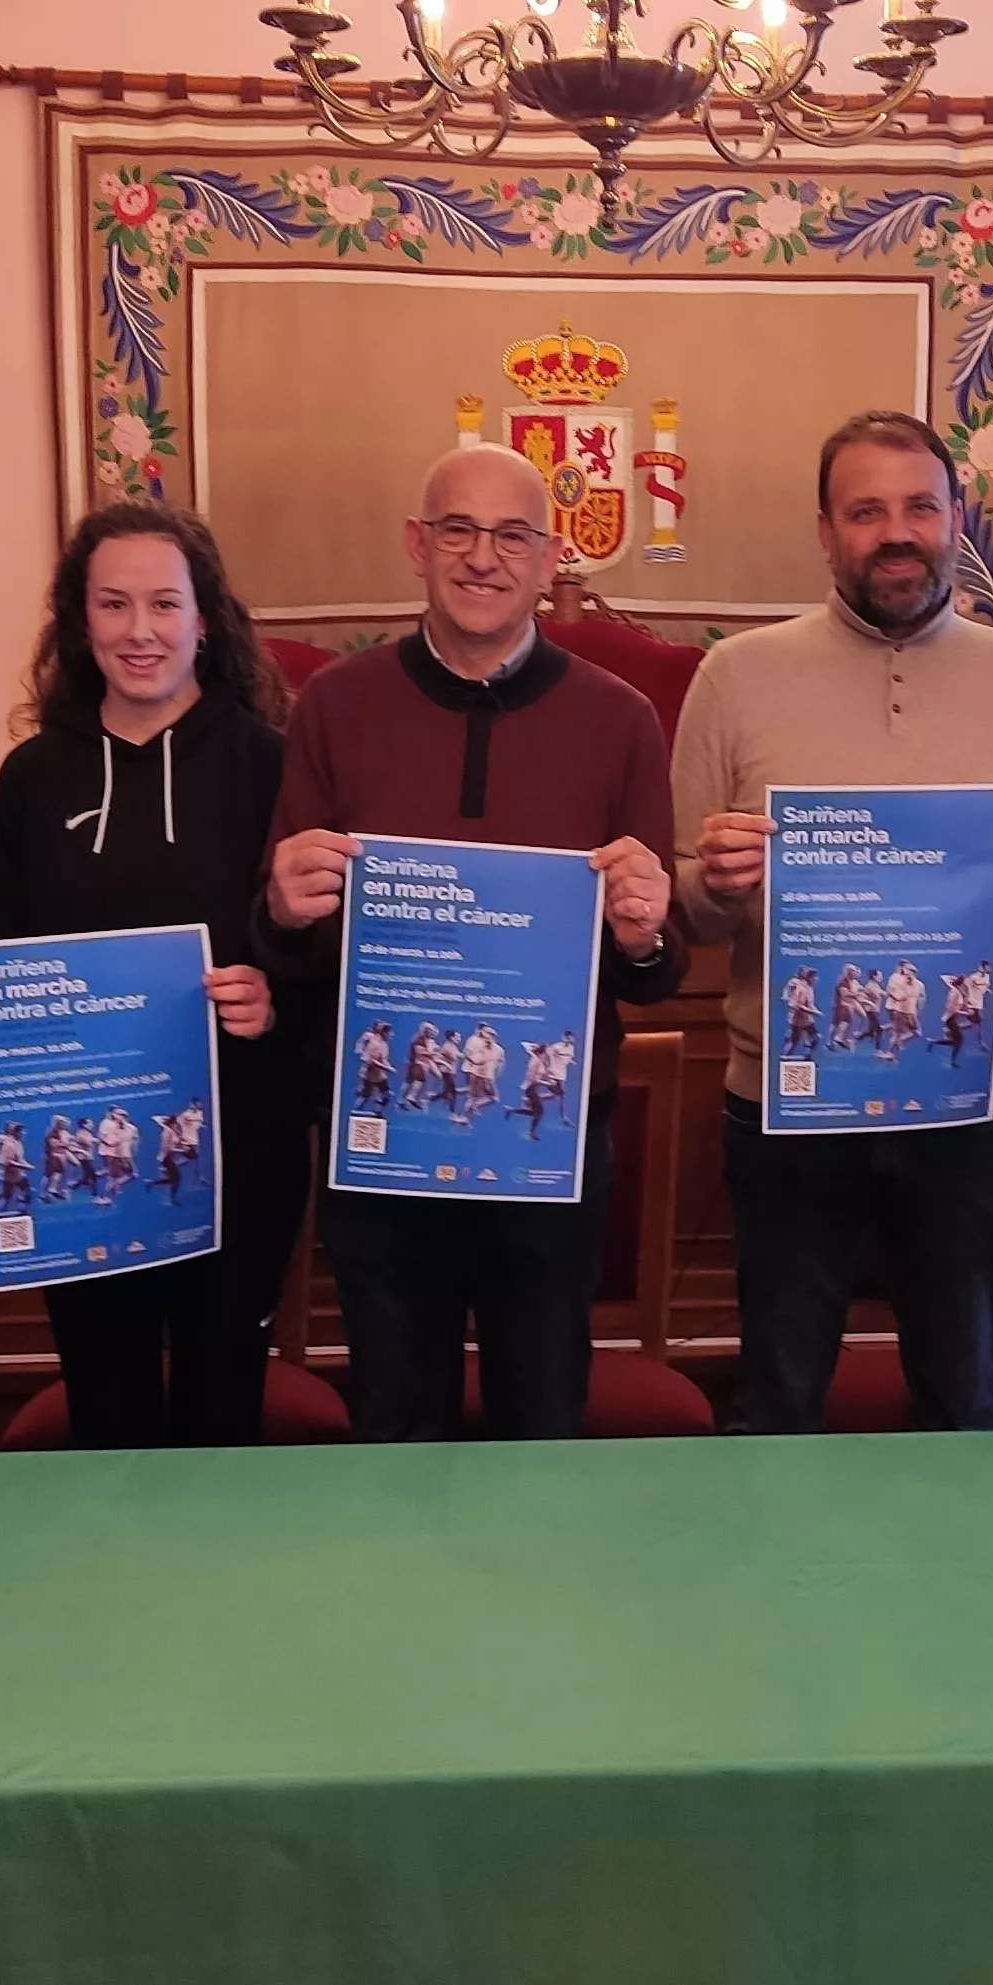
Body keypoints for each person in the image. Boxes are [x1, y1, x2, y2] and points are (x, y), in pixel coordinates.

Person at [675, 411, 993, 1430]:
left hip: (966, 1107)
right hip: (786, 1106)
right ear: (824, 532)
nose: (895, 531)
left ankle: (960, 1589)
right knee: (776, 1399)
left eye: (919, 505)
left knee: (962, 1401)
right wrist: (719, 882)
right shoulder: (733, 676)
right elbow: (685, 908)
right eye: (865, 511)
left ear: (958, 517)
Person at [261, 443, 684, 1438]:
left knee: (540, 1432)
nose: (481, 557)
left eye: (511, 536)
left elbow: (657, 973)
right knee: (394, 1434)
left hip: (547, 1156)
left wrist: (641, 932)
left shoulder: (619, 721)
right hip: (386, 1154)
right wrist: (280, 912)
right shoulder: (336, 705)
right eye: (457, 529)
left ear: (550, 560)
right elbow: (291, 948)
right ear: (416, 545)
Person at [0, 505, 309, 1448]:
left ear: (206, 619)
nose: (140, 631)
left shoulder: (273, 766)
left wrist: (272, 996)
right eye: (113, 605)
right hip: (79, 1160)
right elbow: (2, 949)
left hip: (242, 1152)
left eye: (164, 603)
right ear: (80, 622)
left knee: (221, 1405)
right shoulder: (34, 777)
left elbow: (320, 955)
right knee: (103, 1407)